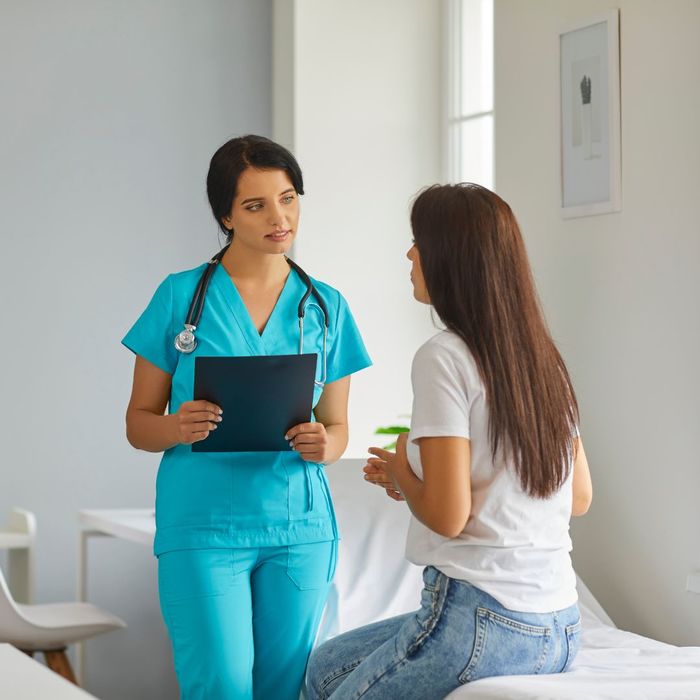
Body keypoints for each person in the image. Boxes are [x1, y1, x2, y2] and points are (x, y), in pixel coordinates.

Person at [305, 183, 593, 699]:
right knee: (324, 668)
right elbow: (577, 497)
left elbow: (447, 516)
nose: (410, 254)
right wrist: (418, 480)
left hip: (482, 617)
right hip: (560, 625)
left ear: (452, 258)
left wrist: (402, 474)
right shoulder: (543, 359)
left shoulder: (443, 356)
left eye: (419, 241)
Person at [122, 135, 371, 700]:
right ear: (226, 215)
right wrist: (175, 426)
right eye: (256, 205)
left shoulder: (326, 304)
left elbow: (338, 428)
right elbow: (138, 423)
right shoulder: (179, 296)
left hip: (299, 527)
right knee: (222, 686)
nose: (279, 218)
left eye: (288, 198)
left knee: (284, 689)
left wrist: (322, 444)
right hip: (204, 527)